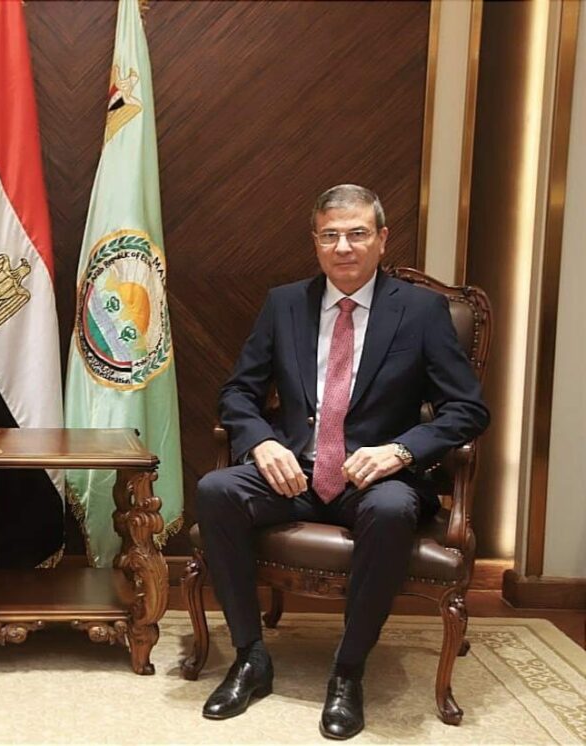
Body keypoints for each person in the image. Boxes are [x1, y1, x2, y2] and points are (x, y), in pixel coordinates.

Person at [195, 184, 489, 740]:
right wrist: (261, 442)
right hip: (296, 473)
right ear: (315, 242)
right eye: (330, 235)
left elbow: (468, 410)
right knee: (216, 490)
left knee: (393, 509)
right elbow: (237, 393)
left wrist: (402, 450)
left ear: (382, 239)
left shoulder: (422, 312)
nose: (344, 247)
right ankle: (250, 658)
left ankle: (348, 671)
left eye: (357, 233)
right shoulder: (285, 304)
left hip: (375, 476)